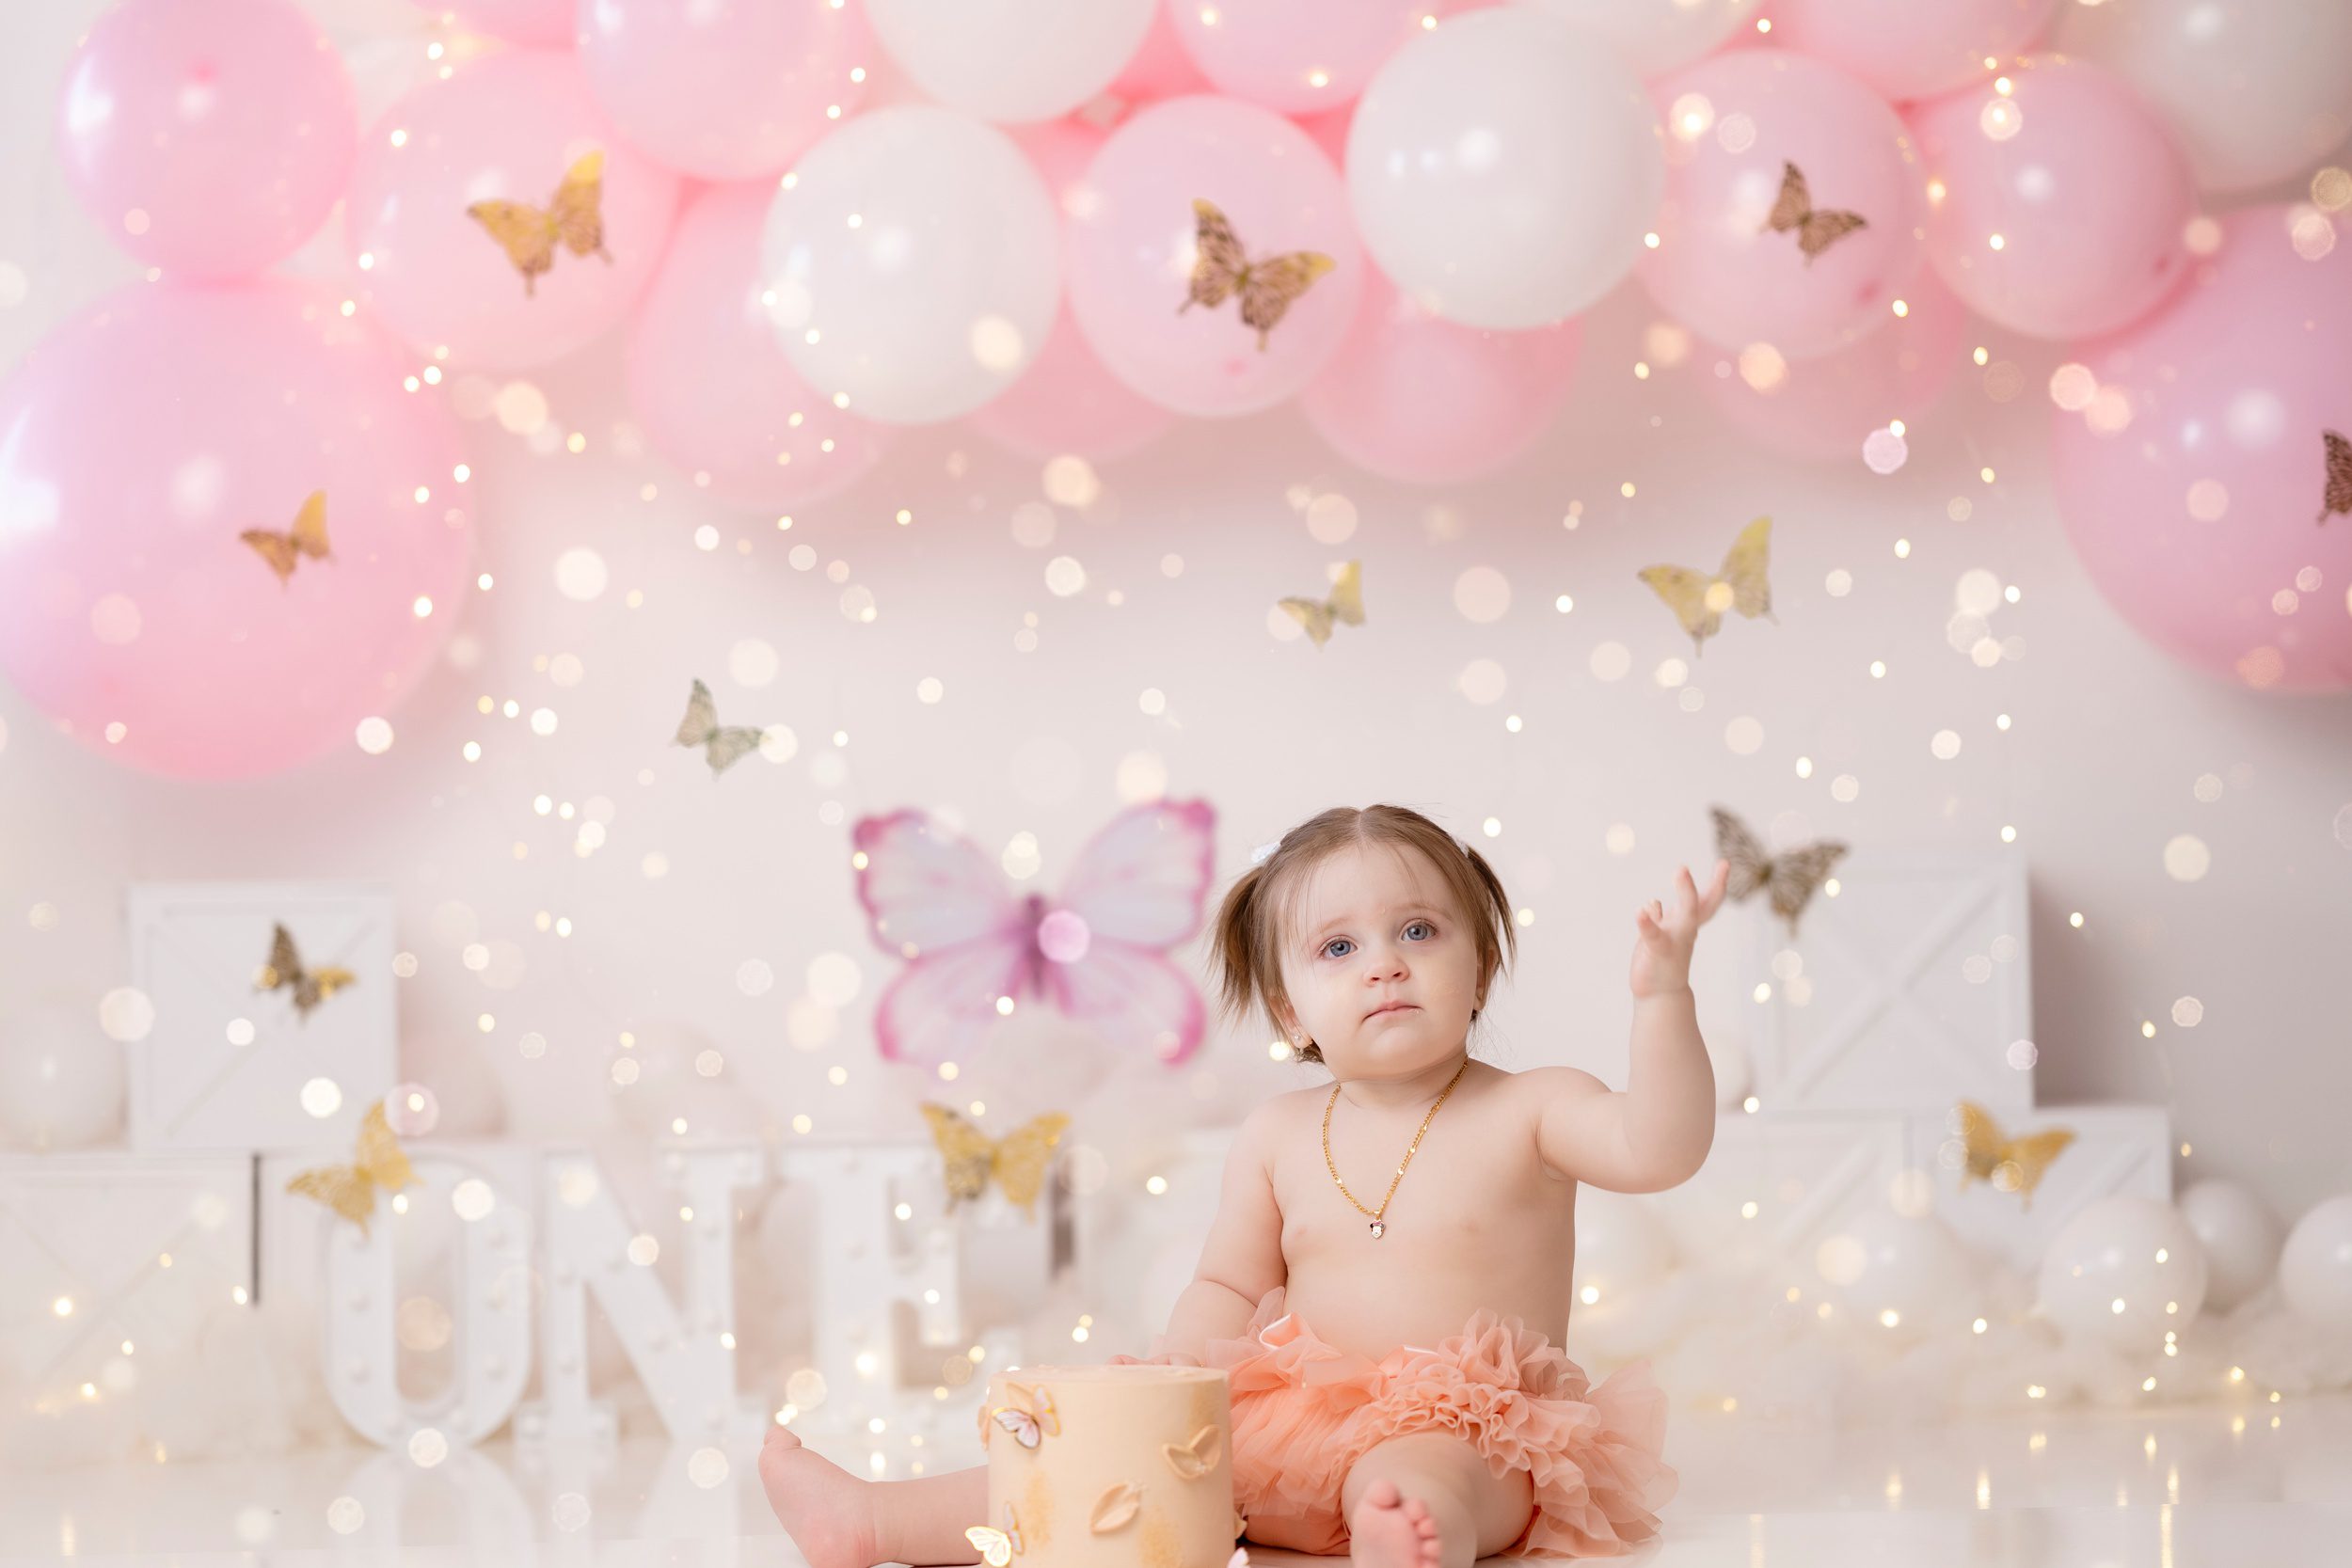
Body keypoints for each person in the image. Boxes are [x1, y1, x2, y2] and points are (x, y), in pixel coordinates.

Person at [762, 802, 1729, 1567]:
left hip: (1474, 1429)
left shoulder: (1534, 1106)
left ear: (1478, 965)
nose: (1385, 962)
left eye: (1420, 929)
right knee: (1108, 1465)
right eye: (1337, 947)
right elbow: (1228, 1280)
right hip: (1296, 1421)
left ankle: (1405, 1531)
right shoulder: (1277, 1132)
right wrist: (1174, 1380)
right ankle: (875, 1519)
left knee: (1422, 1468)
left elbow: (1659, 1146)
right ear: (1289, 1007)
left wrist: (1663, 998)